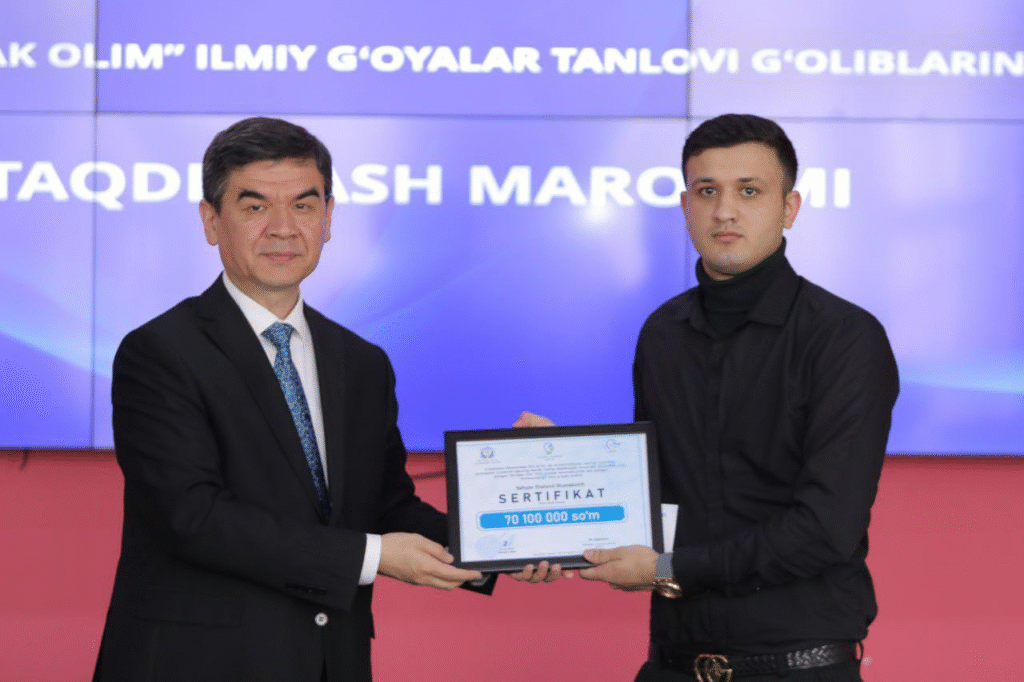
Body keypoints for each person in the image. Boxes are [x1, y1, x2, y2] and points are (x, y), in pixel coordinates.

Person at [93, 117, 493, 682]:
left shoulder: (361, 362)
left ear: (328, 219)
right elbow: (193, 517)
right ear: (211, 220)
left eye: (303, 206)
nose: (283, 228)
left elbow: (386, 508)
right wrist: (373, 557)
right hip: (198, 665)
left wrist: (503, 539)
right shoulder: (160, 353)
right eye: (255, 206)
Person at [519, 113, 899, 681]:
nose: (725, 211)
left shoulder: (843, 338)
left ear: (789, 207)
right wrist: (556, 480)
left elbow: (824, 528)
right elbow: (653, 496)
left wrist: (669, 568)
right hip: (672, 664)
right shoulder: (663, 332)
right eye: (707, 191)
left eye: (749, 191)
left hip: (796, 668)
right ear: (685, 205)